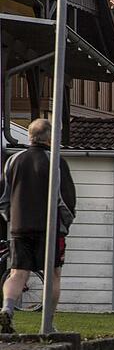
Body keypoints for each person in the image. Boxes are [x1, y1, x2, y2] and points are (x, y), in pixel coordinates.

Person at [0, 119, 76, 334]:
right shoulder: (55, 162)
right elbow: (65, 199)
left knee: (17, 273)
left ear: (30, 136)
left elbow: (3, 197)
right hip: (50, 229)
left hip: (19, 228)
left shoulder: (13, 160)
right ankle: (48, 324)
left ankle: (7, 307)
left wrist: (11, 219)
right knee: (53, 274)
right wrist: (65, 224)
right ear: (50, 137)